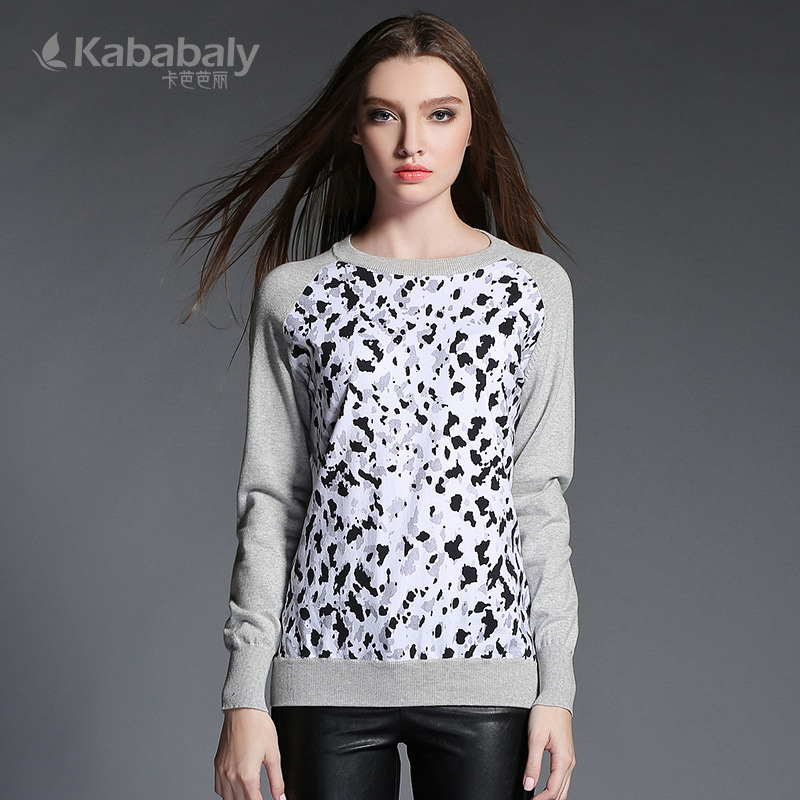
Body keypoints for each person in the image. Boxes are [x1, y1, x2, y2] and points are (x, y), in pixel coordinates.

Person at [172, 11, 579, 800]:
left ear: (474, 129)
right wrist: (244, 695)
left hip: (488, 674)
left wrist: (555, 688)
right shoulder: (296, 295)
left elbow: (536, 497)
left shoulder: (532, 291)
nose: (412, 142)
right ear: (354, 130)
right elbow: (272, 499)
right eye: (385, 114)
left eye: (440, 114)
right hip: (322, 674)